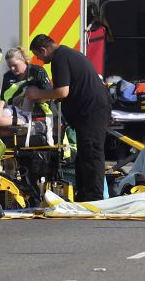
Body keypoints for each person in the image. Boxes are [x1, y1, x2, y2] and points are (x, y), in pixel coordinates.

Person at [26, 34, 112, 202]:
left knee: (92, 152)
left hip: (92, 110)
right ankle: (84, 194)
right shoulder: (66, 54)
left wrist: (38, 94)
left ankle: (94, 197)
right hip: (87, 111)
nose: (39, 59)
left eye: (38, 55)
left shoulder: (59, 58)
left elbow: (62, 91)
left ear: (43, 49)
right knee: (84, 153)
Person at [0, 47, 53, 143]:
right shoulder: (7, 77)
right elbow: (3, 99)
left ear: (23, 59)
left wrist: (25, 96)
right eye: (9, 66)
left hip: (37, 110)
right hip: (12, 111)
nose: (12, 69)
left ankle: (26, 123)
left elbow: (49, 94)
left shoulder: (37, 71)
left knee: (29, 92)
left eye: (15, 65)